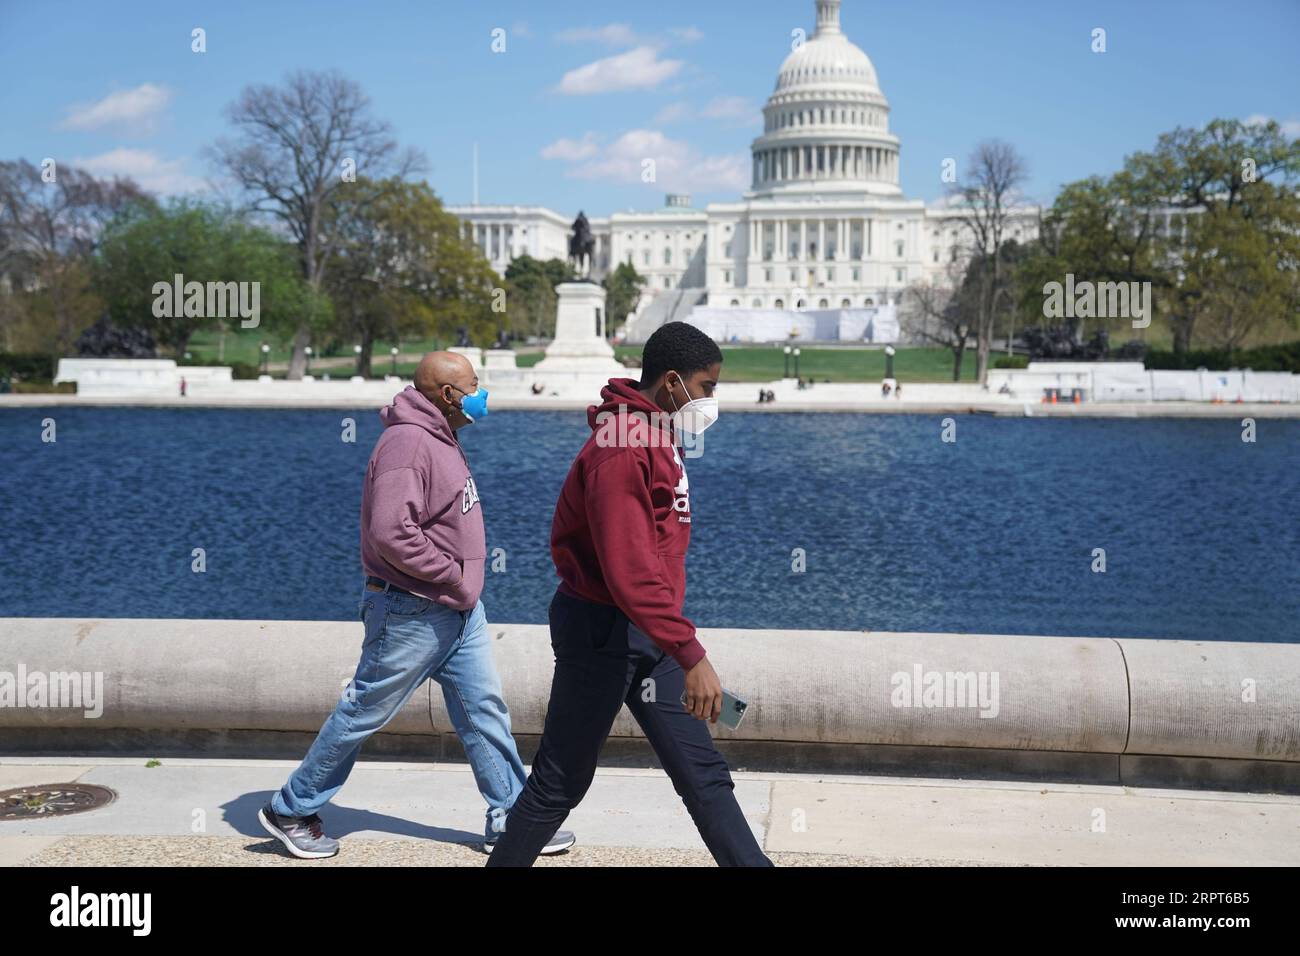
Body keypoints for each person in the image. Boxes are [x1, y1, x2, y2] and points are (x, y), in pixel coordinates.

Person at [259, 352, 575, 859]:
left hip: (457, 609)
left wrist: (461, 588)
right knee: (363, 710)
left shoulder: (440, 435)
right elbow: (391, 533)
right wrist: (451, 574)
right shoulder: (407, 443)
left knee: (483, 710)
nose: (481, 392)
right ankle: (291, 808)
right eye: (474, 385)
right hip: (414, 609)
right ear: (448, 395)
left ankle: (511, 816)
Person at [486, 322, 773, 867]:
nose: (713, 400)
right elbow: (628, 568)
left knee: (703, 774)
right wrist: (691, 653)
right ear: (672, 383)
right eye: (707, 387)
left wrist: (673, 640)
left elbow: (653, 557)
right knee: (559, 783)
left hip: (648, 632)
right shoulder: (621, 449)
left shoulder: (651, 434)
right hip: (602, 630)